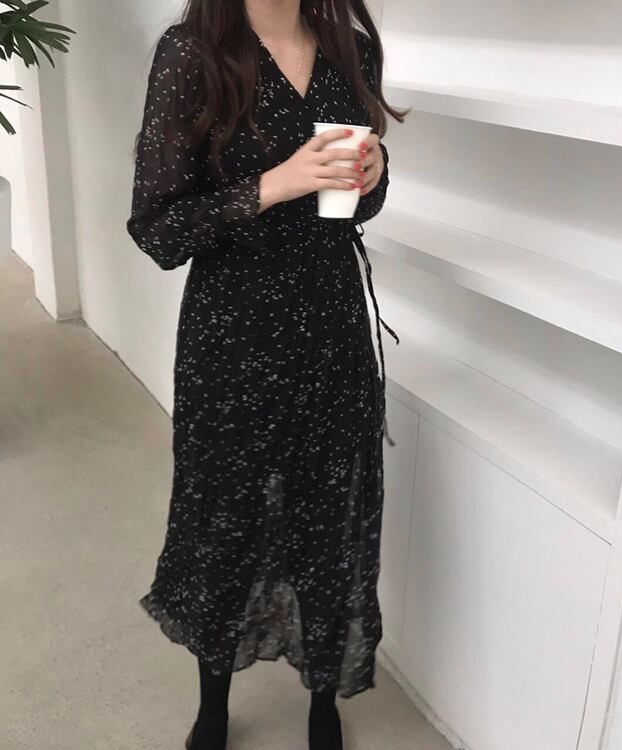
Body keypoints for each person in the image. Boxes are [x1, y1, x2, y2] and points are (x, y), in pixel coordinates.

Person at [126, 1, 407, 749]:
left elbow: (355, 208)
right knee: (226, 520)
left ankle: (323, 700)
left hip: (333, 329)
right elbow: (157, 228)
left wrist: (374, 175)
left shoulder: (351, 51)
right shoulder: (192, 54)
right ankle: (213, 705)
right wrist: (271, 184)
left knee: (330, 521)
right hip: (233, 336)